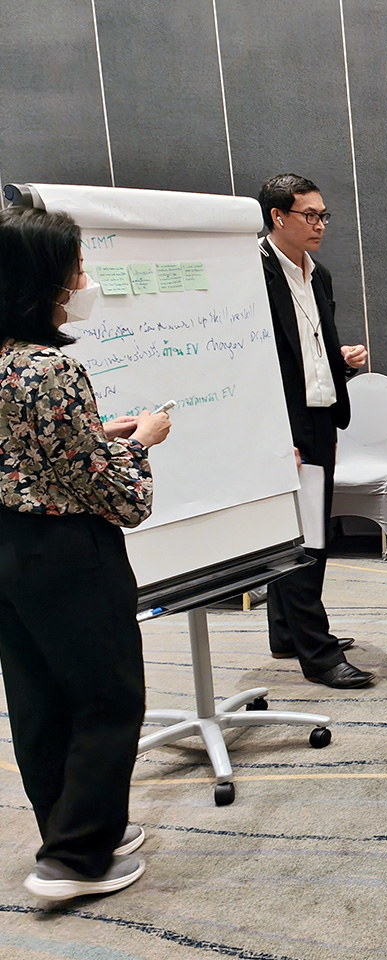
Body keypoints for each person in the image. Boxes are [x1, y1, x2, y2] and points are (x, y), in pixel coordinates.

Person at [0, 207, 172, 900]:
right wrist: (142, 442)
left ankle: (69, 829)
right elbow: (115, 494)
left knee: (37, 696)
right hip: (68, 553)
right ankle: (77, 859)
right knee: (108, 698)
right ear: (43, 278)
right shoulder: (51, 368)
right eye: (75, 265)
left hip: (9, 550)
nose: (83, 278)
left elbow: (27, 451)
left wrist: (96, 435)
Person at [258, 173, 374, 689]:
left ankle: (286, 633)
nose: (320, 224)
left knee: (309, 530)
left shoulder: (318, 274)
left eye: (324, 215)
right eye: (310, 215)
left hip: (321, 415)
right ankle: (319, 655)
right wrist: (275, 436)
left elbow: (308, 350)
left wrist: (339, 360)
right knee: (304, 539)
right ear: (278, 217)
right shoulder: (254, 273)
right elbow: (254, 363)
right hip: (284, 424)